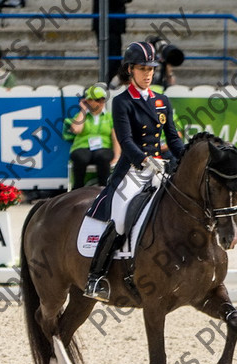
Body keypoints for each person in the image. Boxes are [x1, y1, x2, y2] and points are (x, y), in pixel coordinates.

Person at [83, 41, 186, 301]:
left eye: (151, 68)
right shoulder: (122, 102)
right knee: (120, 216)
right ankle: (96, 277)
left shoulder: (162, 101)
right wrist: (145, 160)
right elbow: (126, 141)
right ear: (130, 69)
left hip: (161, 166)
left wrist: (185, 157)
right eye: (142, 68)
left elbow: (172, 138)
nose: (148, 73)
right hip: (132, 168)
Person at [63, 84, 121, 189]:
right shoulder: (81, 115)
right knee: (81, 158)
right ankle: (77, 189)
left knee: (102, 157)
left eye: (103, 100)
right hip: (83, 147)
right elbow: (76, 129)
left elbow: (115, 138)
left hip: (103, 147)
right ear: (89, 101)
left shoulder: (109, 117)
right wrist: (83, 110)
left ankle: (104, 189)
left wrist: (117, 156)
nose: (101, 103)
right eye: (97, 100)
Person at [92, 0, 131, 84]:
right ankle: (109, 85)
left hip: (112, 23)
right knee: (110, 60)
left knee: (113, 59)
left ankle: (111, 83)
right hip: (109, 23)